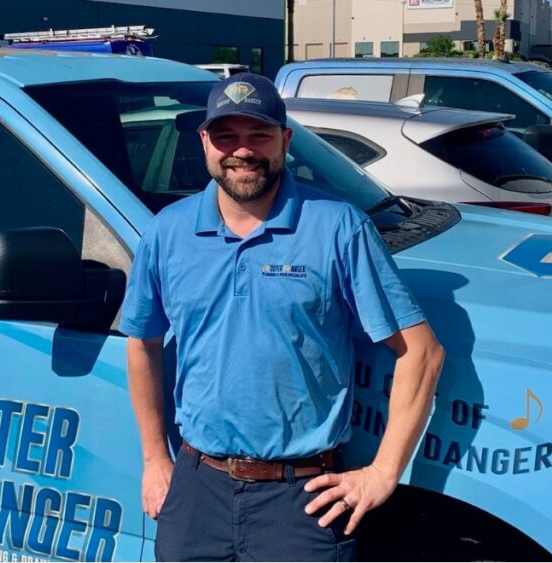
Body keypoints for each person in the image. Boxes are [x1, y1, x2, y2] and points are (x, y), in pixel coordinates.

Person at [120, 73, 444, 561]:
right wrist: (153, 460)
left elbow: (421, 350)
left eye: (259, 135)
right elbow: (142, 342)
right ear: (205, 141)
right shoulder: (168, 232)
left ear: (285, 141)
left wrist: (382, 473)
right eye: (226, 135)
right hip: (195, 489)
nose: (242, 151)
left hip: (302, 499)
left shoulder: (338, 228)